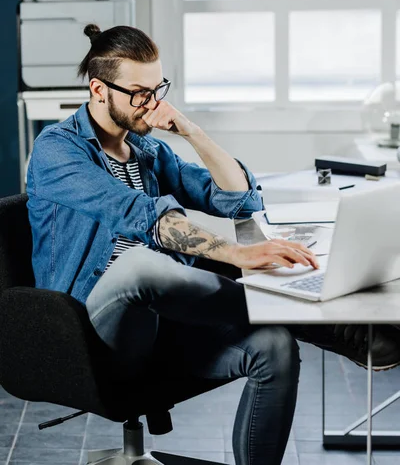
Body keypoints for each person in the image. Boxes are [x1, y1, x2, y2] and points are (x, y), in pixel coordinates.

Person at [26, 24, 400, 465]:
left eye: (158, 88)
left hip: (167, 313)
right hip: (94, 324)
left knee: (274, 346)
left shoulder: (146, 150)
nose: (152, 102)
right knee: (146, 264)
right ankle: (327, 326)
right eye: (139, 92)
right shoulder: (57, 150)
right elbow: (145, 218)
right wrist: (239, 254)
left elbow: (239, 200)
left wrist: (190, 130)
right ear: (98, 89)